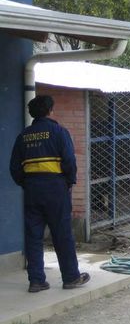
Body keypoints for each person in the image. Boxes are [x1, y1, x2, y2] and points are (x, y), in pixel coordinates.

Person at [10, 95, 90, 293]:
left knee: (33, 236)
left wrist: (27, 184)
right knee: (62, 234)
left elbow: (14, 168)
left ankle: (36, 281)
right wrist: (69, 182)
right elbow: (69, 162)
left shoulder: (23, 136)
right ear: (50, 111)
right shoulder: (59, 132)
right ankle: (71, 277)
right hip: (56, 188)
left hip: (32, 189)